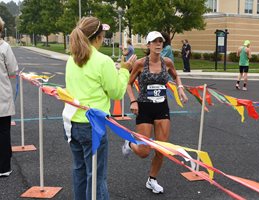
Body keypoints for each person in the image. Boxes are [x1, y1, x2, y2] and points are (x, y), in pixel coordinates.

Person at [64, 16, 136, 200]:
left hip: (72, 122)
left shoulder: (72, 59)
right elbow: (116, 92)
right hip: (93, 126)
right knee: (96, 176)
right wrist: (125, 69)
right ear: (98, 37)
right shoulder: (102, 61)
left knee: (79, 170)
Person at [122, 31, 188, 194]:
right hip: (144, 107)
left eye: (161, 41)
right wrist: (133, 101)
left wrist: (179, 88)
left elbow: (176, 76)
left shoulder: (167, 62)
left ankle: (152, 179)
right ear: (148, 45)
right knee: (144, 152)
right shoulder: (139, 63)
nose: (159, 44)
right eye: (155, 41)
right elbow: (128, 84)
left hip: (161, 108)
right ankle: (130, 144)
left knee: (162, 148)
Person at [0, 17, 18, 178]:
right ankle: (4, 166)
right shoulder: (4, 47)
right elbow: (13, 70)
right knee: (4, 132)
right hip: (2, 95)